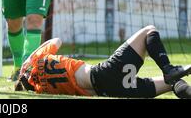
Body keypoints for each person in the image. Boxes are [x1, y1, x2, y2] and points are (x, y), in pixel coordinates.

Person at [14, 25, 191, 99]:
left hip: (110, 91)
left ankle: (173, 78)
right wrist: (30, 57)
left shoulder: (42, 90)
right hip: (104, 72)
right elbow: (57, 41)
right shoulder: (38, 60)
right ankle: (168, 68)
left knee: (170, 84)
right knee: (149, 31)